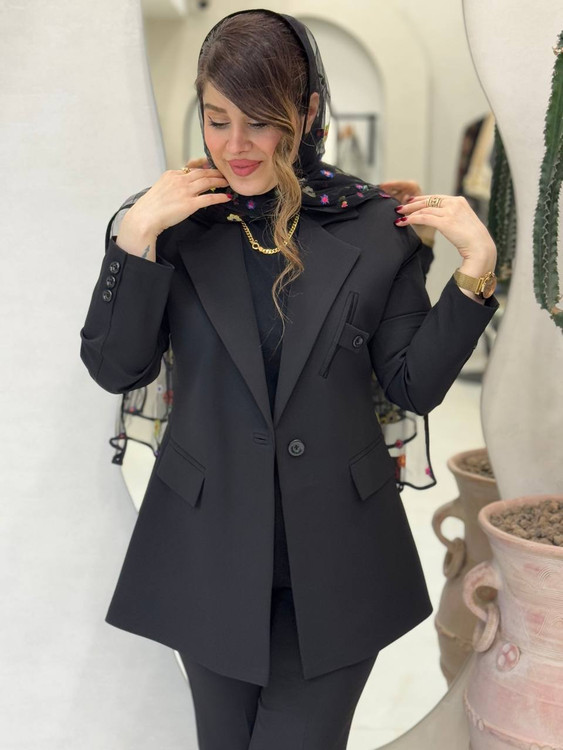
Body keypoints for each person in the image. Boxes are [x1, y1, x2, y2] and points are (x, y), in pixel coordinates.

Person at [79, 9, 499, 749]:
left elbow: (410, 385)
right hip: (207, 552)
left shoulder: (375, 227)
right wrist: (134, 238)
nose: (235, 145)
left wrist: (475, 272)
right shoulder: (174, 225)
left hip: (339, 560)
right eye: (217, 120)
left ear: (305, 113)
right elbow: (117, 367)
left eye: (260, 122)